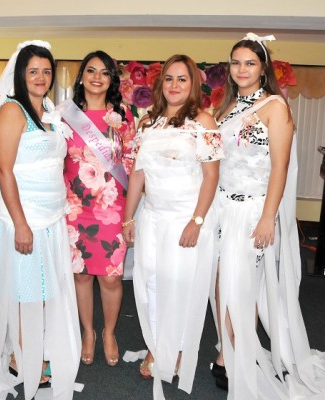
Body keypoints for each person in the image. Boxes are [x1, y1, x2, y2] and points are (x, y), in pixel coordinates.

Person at [210, 33, 325, 399]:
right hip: (223, 208)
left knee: (245, 287)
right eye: (236, 62)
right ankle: (227, 348)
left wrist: (268, 217)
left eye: (250, 63)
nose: (242, 69)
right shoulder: (226, 107)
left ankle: (238, 353)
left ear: (263, 67)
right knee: (224, 281)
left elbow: (280, 168)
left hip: (254, 209)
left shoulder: (274, 107)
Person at [122, 54, 223, 399]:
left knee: (181, 283)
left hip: (186, 219)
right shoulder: (147, 123)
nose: (175, 85)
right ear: (160, 84)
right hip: (152, 217)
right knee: (151, 281)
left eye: (182, 79)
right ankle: (155, 343)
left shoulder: (205, 122)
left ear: (193, 85)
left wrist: (197, 220)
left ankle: (177, 349)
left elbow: (212, 176)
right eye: (169, 79)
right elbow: (138, 175)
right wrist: (128, 216)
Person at [59, 50, 136, 367]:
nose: (96, 77)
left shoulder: (124, 115)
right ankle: (88, 332)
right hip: (74, 209)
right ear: (81, 76)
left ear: (112, 79)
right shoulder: (63, 114)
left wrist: (130, 215)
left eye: (104, 72)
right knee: (80, 277)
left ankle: (109, 332)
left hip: (111, 209)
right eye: (90, 70)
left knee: (111, 279)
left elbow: (132, 164)